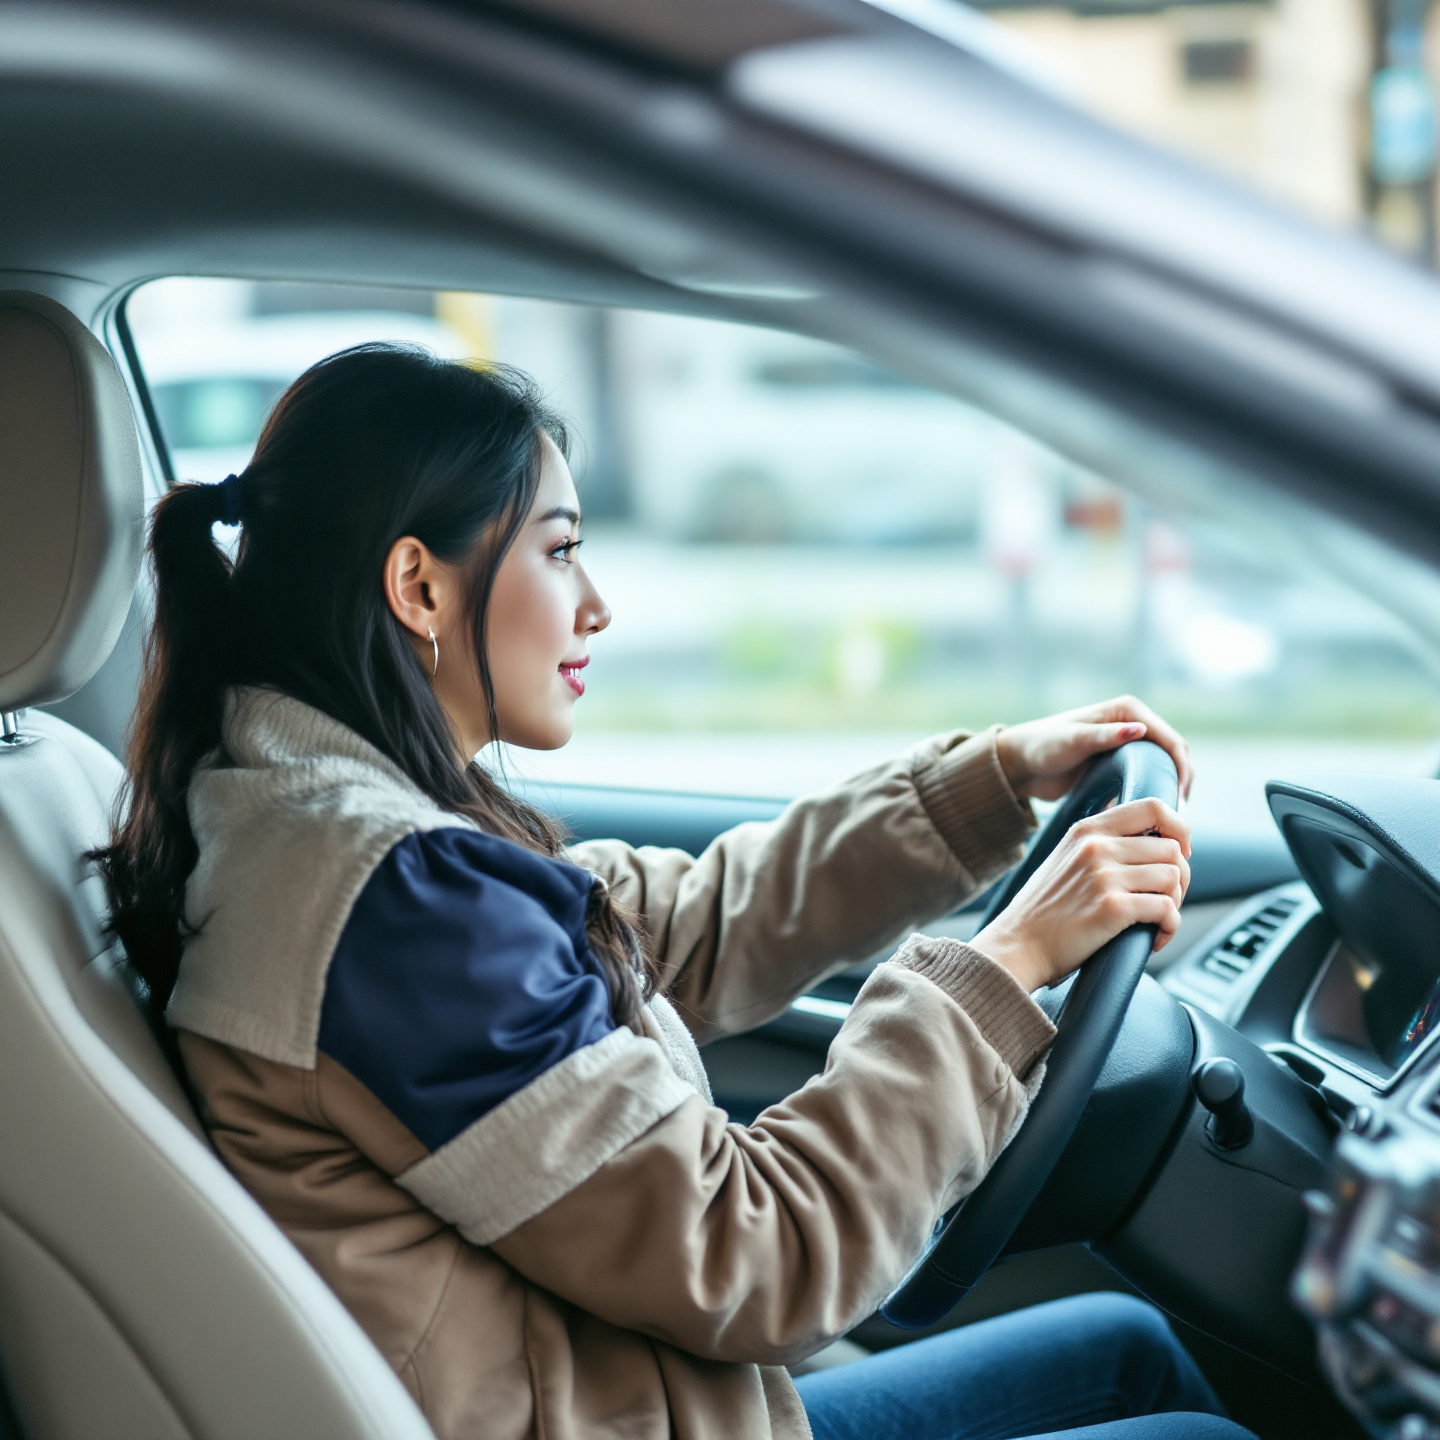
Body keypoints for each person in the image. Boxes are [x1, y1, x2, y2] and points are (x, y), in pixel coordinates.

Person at [98, 345, 1252, 1440]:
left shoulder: (333, 823)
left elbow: (685, 932)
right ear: (418, 584)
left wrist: (985, 787)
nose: (595, 604)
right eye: (558, 552)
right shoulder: (392, 905)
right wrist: (1002, 970)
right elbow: (758, 1254)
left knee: (1125, 1350)